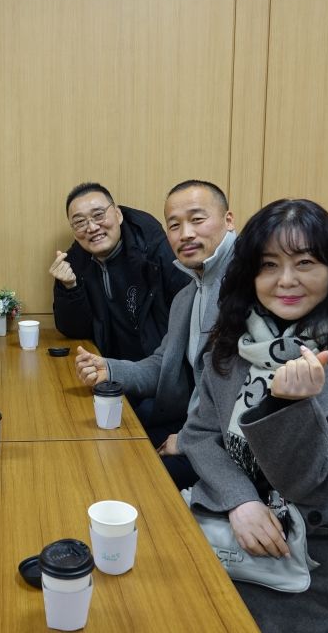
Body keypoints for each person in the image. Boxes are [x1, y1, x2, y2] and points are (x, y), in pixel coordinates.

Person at [179, 199, 328, 632]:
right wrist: (240, 500)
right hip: (232, 521)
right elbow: (199, 434)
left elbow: (311, 485)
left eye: (305, 263)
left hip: (327, 552)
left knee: (192, 612)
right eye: (269, 265)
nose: (285, 280)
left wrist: (289, 407)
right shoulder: (238, 340)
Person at [74, 180, 235, 489]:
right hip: (192, 424)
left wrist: (186, 440)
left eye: (197, 219)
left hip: (227, 447)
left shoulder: (249, 285)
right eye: (174, 225)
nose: (186, 233)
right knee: (98, 452)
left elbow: (242, 397)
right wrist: (110, 369)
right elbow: (164, 362)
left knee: (124, 478)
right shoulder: (189, 293)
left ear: (228, 220)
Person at [49, 182, 189, 365]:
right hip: (107, 369)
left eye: (98, 215)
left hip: (159, 367)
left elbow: (187, 318)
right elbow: (75, 331)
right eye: (80, 222)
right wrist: (70, 288)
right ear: (74, 232)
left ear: (118, 215)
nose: (92, 227)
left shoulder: (154, 250)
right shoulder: (76, 263)